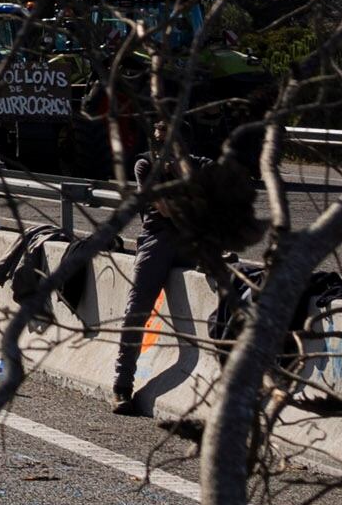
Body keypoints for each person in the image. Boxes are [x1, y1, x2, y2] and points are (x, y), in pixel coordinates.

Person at [111, 141, 259, 412]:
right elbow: (165, 208)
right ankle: (122, 385)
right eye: (157, 141)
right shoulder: (145, 164)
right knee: (137, 308)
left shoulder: (201, 165)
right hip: (159, 240)